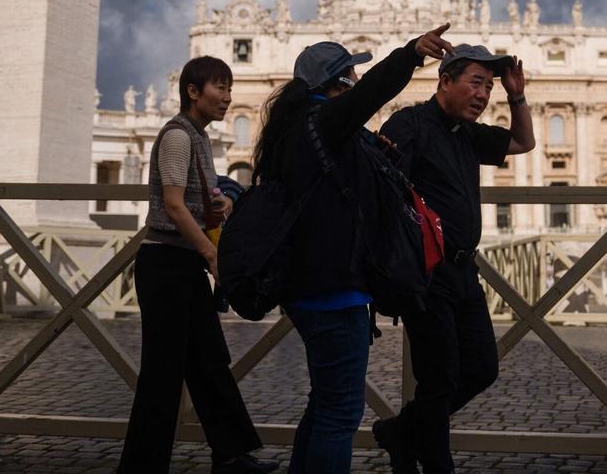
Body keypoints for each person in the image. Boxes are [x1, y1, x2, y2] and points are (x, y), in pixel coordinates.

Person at [252, 25, 454, 474]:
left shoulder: (298, 129)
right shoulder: (323, 120)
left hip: (308, 284)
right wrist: (410, 54)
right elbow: (371, 96)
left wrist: (369, 150)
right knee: (341, 413)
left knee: (325, 403)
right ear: (338, 82)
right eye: (352, 76)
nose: (358, 83)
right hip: (331, 286)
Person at [373, 44, 534, 474]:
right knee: (439, 377)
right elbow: (383, 192)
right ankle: (434, 462)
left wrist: (516, 96)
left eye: (489, 87)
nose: (484, 95)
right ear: (445, 81)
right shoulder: (408, 126)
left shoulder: (468, 133)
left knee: (481, 368)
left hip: (464, 269)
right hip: (427, 270)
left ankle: (402, 433)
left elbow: (523, 141)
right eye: (476, 83)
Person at [119, 56, 275, 474]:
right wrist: (212, 255)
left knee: (209, 362)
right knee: (162, 373)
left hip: (184, 263)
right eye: (219, 88)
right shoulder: (177, 136)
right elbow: (171, 204)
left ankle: (230, 455)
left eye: (229, 89)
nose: (227, 97)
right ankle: (141, 467)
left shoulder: (200, 138)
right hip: (166, 263)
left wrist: (220, 203)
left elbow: (189, 199)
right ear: (193, 91)